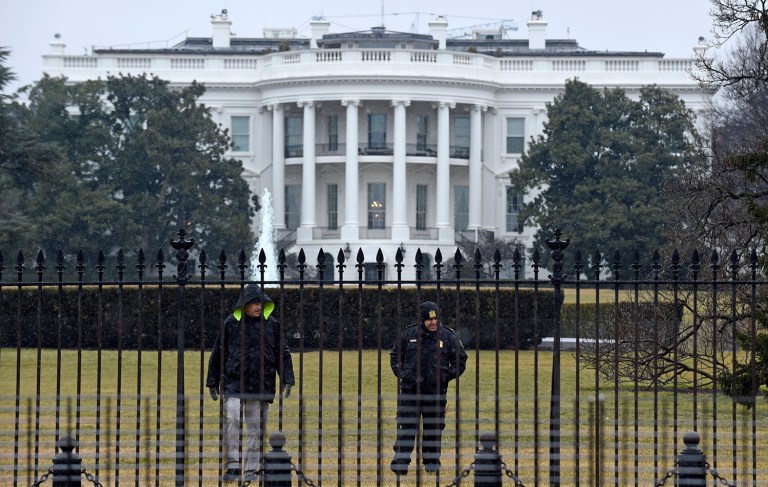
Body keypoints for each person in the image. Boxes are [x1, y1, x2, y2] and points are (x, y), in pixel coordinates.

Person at [206, 284, 295, 482]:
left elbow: (283, 353)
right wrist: (213, 381)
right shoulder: (230, 323)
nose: (258, 306)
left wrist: (287, 379)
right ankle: (233, 466)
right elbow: (218, 352)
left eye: (261, 303)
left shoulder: (272, 325)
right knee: (232, 419)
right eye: (254, 302)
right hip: (233, 383)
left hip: (260, 384)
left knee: (256, 429)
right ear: (244, 304)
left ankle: (251, 470)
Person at [389, 301, 467, 475]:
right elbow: (395, 356)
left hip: (436, 392)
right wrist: (403, 374)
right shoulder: (408, 334)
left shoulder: (448, 336)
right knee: (407, 427)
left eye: (436, 319)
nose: (433, 323)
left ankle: (431, 463)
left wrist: (445, 375)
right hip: (411, 392)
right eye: (429, 320)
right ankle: (400, 462)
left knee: (433, 428)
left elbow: (461, 360)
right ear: (422, 320)